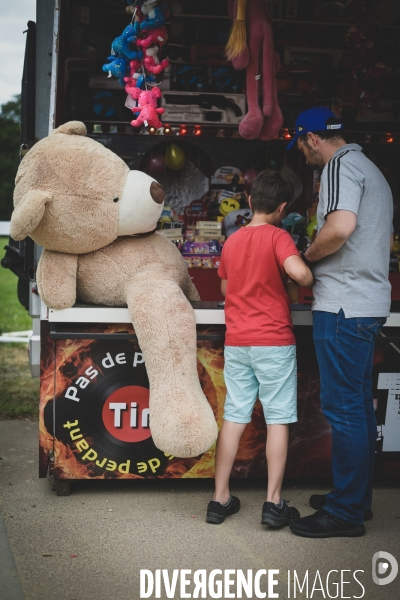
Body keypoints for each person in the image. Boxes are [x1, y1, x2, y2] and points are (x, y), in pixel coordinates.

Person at [286, 106, 394, 538]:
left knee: (344, 408)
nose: (303, 153)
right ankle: (355, 499)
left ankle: (345, 512)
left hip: (343, 304)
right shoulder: (370, 167)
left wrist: (304, 256)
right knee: (359, 407)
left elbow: (341, 226)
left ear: (312, 138)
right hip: (367, 302)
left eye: (300, 144)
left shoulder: (337, 167)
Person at [206, 170, 314, 526]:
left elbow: (225, 290)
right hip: (273, 342)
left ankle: (220, 499)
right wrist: (294, 269)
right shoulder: (279, 236)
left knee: (234, 417)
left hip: (238, 343)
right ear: (282, 208)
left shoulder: (233, 240)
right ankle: (273, 503)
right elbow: (302, 276)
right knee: (278, 419)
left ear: (250, 202)